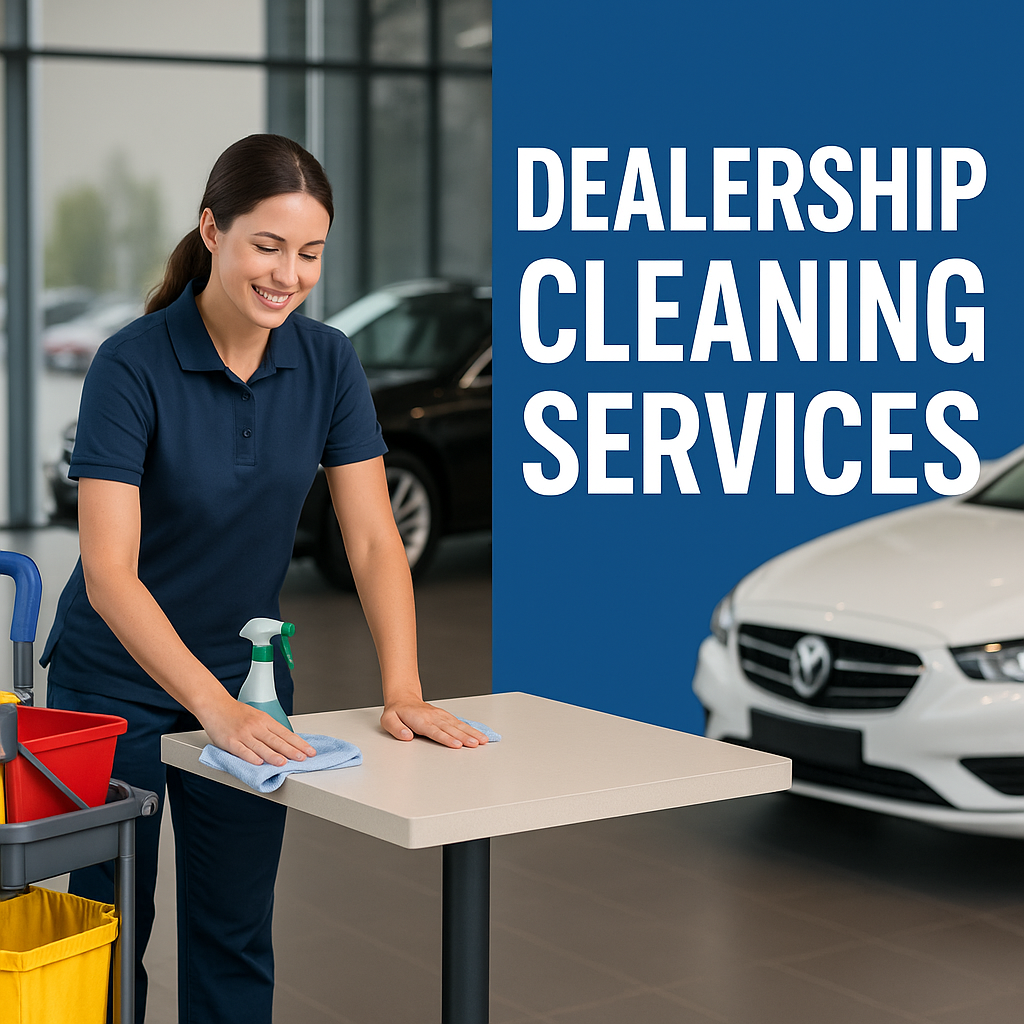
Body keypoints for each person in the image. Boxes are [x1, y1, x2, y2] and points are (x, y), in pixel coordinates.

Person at [40, 133, 488, 1024]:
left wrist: (402, 686)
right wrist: (215, 710)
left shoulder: (326, 362)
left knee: (234, 932)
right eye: (268, 245)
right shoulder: (132, 364)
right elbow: (109, 572)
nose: (289, 273)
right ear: (213, 231)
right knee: (107, 927)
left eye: (311, 253)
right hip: (111, 682)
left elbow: (370, 539)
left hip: (251, 687)